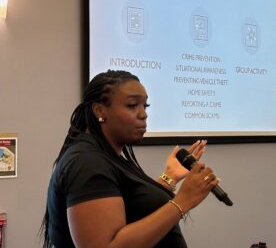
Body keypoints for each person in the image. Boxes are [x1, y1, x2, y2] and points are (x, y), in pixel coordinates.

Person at [40, 70, 220, 248]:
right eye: (133, 105)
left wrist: (169, 177)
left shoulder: (105, 156)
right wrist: (183, 201)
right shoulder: (87, 163)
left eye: (145, 106)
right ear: (99, 110)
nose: (143, 114)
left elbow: (133, 208)